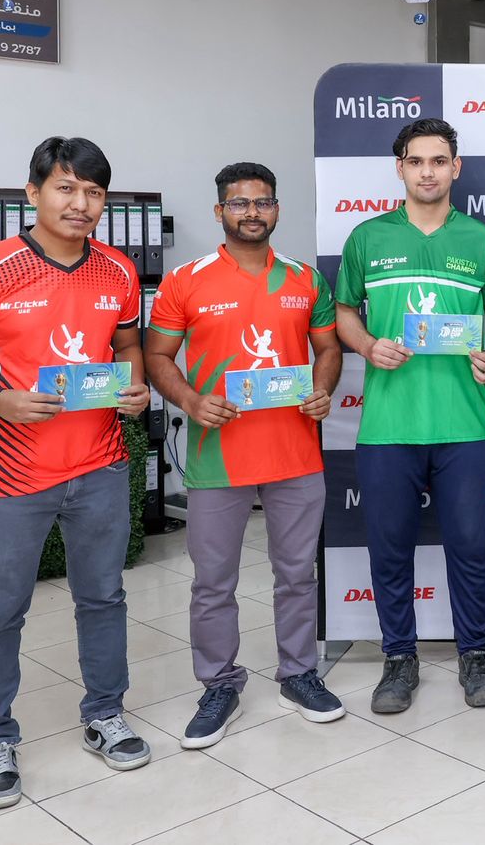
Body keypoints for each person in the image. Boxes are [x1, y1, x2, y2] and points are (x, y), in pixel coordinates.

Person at [0, 137, 153, 809]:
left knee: (103, 598)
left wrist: (135, 388)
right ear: (34, 192)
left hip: (101, 465)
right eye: (66, 188)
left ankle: (105, 714)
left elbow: (127, 345)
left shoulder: (118, 270)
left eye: (94, 192)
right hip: (11, 477)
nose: (81, 204)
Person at [145, 162, 345, 748]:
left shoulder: (306, 278)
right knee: (213, 583)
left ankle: (299, 674)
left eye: (263, 202)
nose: (252, 212)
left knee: (297, 576)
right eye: (239, 203)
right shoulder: (186, 280)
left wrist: (323, 389)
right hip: (218, 457)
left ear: (276, 209)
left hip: (295, 453)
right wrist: (191, 400)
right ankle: (219, 684)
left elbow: (328, 348)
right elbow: (157, 357)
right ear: (220, 211)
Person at [333, 119, 485, 713]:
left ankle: (476, 655)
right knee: (390, 551)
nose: (428, 172)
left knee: (469, 548)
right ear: (400, 168)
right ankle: (398, 658)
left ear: (456, 167)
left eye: (439, 161)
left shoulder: (481, 239)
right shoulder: (367, 237)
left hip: (465, 424)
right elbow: (343, 311)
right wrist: (366, 346)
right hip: (389, 426)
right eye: (416, 161)